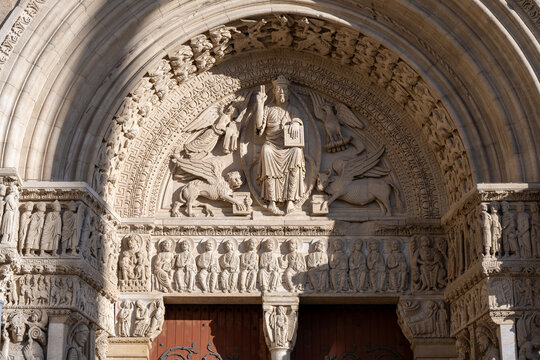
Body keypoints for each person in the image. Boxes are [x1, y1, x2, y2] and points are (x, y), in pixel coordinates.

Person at [255, 75, 306, 214]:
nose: (282, 93)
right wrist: (260, 104)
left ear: (289, 93)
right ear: (274, 93)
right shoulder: (269, 109)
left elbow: (298, 120)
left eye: (284, 91)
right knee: (266, 150)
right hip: (272, 145)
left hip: (288, 148)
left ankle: (290, 201)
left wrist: (296, 123)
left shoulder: (293, 110)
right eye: (279, 91)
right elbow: (259, 127)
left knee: (297, 152)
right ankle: (271, 202)